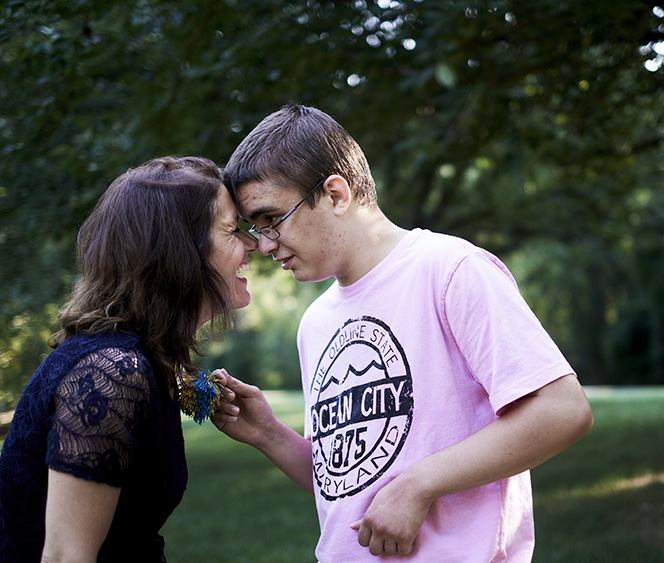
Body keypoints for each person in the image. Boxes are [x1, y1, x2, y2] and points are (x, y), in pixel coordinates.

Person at [212, 104, 594, 562]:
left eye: (272, 219)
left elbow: (563, 409)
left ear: (336, 193)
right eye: (256, 228)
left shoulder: (452, 270)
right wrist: (269, 434)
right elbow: (346, 484)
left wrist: (419, 483)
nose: (265, 244)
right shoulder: (316, 323)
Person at [0, 156, 258, 562]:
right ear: (178, 253)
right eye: (232, 230)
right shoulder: (111, 373)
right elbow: (66, 557)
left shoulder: (140, 361)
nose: (253, 243)